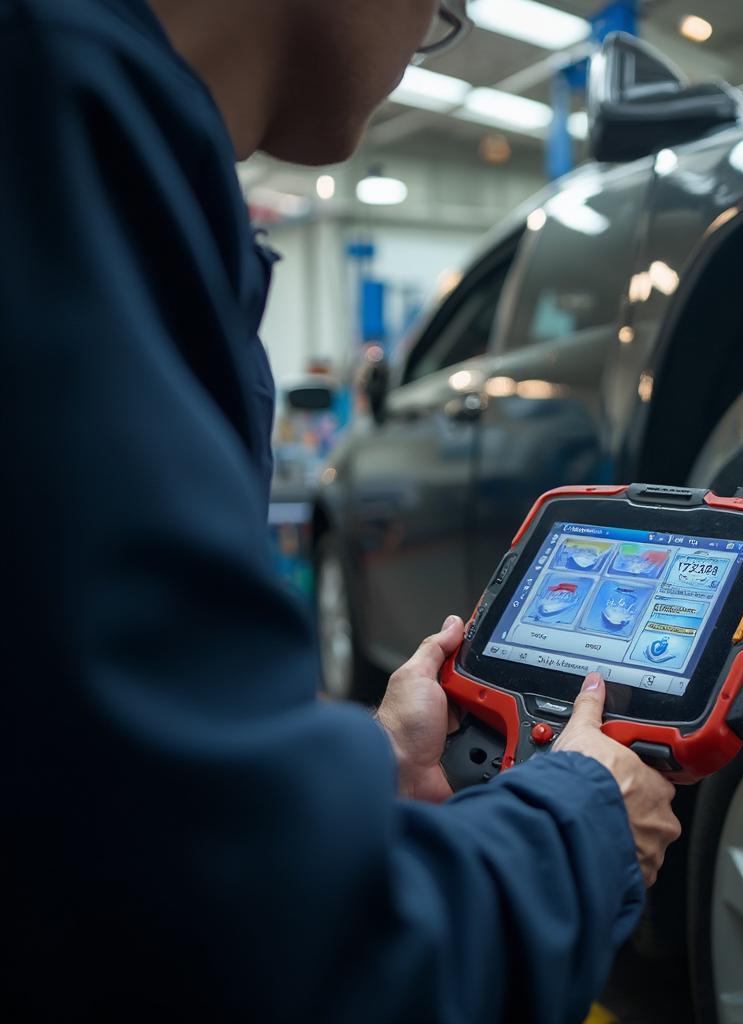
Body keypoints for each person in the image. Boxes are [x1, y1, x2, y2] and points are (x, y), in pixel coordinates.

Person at [4, 1, 681, 1020]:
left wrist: (353, 769)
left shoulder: (90, 148)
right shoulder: (58, 161)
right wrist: (580, 825)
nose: (430, 27)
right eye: (445, 6)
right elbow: (259, 944)